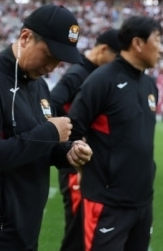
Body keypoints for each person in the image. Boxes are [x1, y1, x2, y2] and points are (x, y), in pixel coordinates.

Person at [0, 4, 93, 251]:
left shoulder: (39, 85)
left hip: (24, 232)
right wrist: (50, 132)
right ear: (25, 37)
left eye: (59, 61)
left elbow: (38, 147)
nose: (51, 67)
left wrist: (66, 152)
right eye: (49, 55)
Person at [68, 15, 163, 251]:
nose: (162, 48)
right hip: (107, 203)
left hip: (142, 201)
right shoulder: (101, 80)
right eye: (158, 40)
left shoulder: (150, 85)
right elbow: (73, 130)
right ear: (138, 43)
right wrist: (81, 167)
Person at [50, 28, 121, 251]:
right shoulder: (78, 73)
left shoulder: (92, 73)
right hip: (72, 163)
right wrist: (70, 134)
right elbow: (52, 102)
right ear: (103, 50)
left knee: (84, 228)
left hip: (83, 160)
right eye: (116, 58)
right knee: (77, 229)